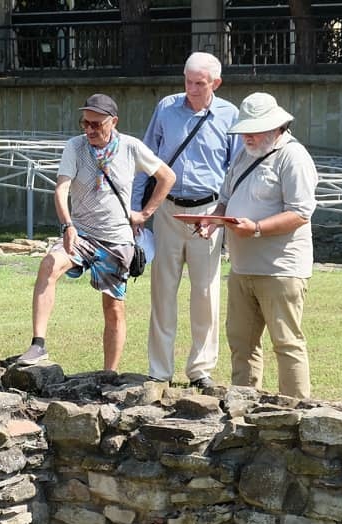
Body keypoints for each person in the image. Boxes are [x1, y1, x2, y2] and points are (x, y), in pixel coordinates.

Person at [15, 93, 175, 372]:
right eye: (84, 123)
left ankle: (108, 374)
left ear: (113, 122)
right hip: (81, 233)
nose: (89, 130)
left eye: (96, 125)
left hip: (117, 238)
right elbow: (62, 187)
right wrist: (68, 224)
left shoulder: (130, 147)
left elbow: (167, 177)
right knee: (49, 265)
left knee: (114, 309)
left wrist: (144, 214)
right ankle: (38, 343)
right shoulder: (75, 147)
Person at [133, 52, 240, 390]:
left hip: (207, 212)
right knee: (162, 291)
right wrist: (138, 211)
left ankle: (201, 369)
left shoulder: (229, 115)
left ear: (216, 84)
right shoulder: (167, 107)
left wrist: (222, 217)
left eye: (199, 83)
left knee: (206, 293)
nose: (191, 89)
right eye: (187, 81)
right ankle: (159, 370)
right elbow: (146, 159)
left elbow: (234, 170)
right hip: (167, 209)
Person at [202, 92, 318, 399]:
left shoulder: (294, 157)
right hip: (242, 268)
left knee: (286, 342)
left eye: (254, 131)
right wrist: (213, 220)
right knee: (241, 341)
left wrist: (255, 229)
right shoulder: (243, 155)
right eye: (244, 131)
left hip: (280, 269)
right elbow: (226, 198)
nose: (247, 137)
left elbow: (300, 213)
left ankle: (295, 413)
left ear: (275, 127)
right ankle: (243, 410)